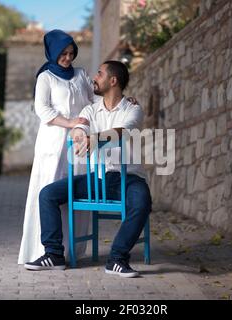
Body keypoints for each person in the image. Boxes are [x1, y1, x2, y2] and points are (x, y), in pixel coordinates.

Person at [24, 61, 152, 278]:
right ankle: (54, 255)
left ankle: (117, 259)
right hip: (99, 179)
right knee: (47, 194)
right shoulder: (90, 110)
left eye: (100, 74)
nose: (95, 77)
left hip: (129, 178)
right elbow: (80, 127)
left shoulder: (133, 109)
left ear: (113, 81)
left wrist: (97, 138)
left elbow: (125, 130)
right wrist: (79, 134)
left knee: (142, 202)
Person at [17, 29, 94, 265]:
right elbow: (43, 110)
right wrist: (70, 122)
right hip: (53, 143)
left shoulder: (81, 74)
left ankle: (72, 252)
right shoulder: (46, 77)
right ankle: (45, 250)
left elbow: (95, 101)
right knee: (49, 191)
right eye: (63, 53)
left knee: (76, 194)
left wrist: (124, 99)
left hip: (79, 144)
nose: (68, 58)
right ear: (52, 51)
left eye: (72, 53)